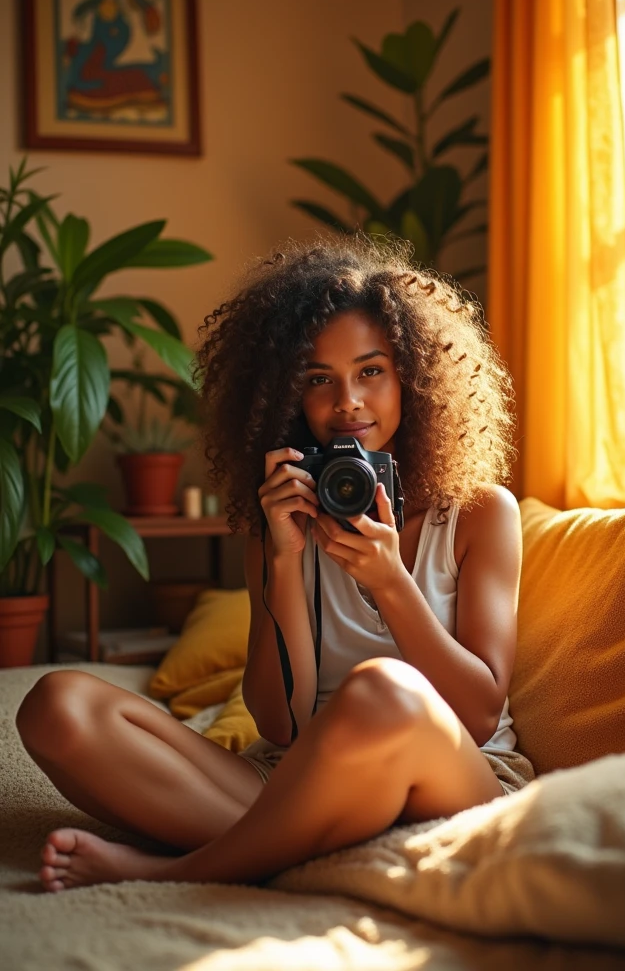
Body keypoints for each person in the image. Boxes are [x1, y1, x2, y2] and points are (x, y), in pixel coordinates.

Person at [16, 236, 534, 892]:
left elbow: (481, 713)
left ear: (415, 378)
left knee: (383, 690)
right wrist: (285, 565)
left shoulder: (478, 513)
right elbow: (280, 724)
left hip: (449, 774)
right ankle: (307, 841)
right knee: (58, 707)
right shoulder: (279, 519)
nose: (347, 401)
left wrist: (390, 583)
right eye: (319, 380)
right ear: (291, 398)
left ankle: (182, 870)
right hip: (295, 774)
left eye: (371, 372)